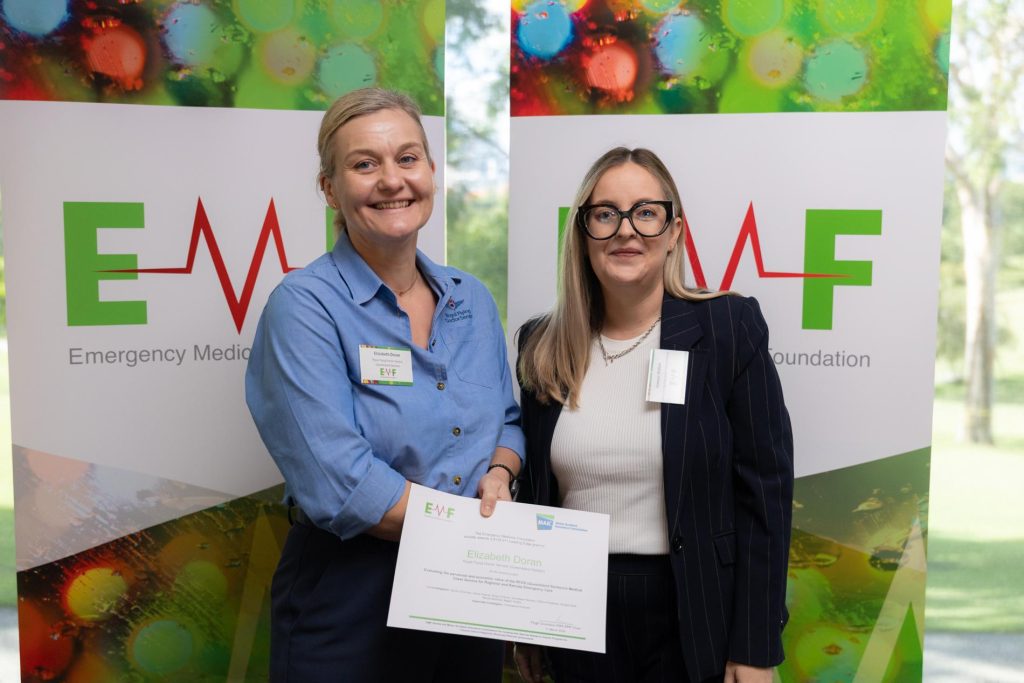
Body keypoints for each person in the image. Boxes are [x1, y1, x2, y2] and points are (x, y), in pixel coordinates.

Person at [245, 87, 525, 683]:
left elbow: (507, 421)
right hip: (350, 601)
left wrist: (499, 475)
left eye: (407, 158)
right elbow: (342, 483)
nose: (392, 180)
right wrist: (482, 544)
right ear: (330, 189)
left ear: (430, 171)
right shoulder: (303, 307)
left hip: (466, 600)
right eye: (364, 164)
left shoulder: (470, 300)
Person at [513, 147, 793, 683]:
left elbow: (767, 492)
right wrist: (528, 621)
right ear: (582, 232)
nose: (626, 230)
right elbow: (536, 495)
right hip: (575, 610)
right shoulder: (541, 345)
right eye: (605, 214)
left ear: (675, 231)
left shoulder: (727, 327)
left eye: (646, 212)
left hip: (695, 608)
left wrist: (756, 645)